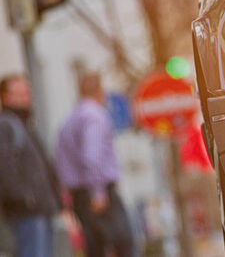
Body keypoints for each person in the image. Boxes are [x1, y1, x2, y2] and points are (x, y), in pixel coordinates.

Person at [56, 72, 134, 257]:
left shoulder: (70, 120)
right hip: (98, 192)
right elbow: (92, 156)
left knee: (95, 247)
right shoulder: (95, 116)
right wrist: (98, 192)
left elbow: (61, 160)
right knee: (124, 244)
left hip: (80, 194)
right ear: (101, 91)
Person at [0, 74, 62, 257]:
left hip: (41, 209)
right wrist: (25, 198)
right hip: (26, 213)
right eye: (19, 93)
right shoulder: (6, 126)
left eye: (26, 92)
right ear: (5, 97)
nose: (25, 97)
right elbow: (5, 168)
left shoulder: (26, 125)